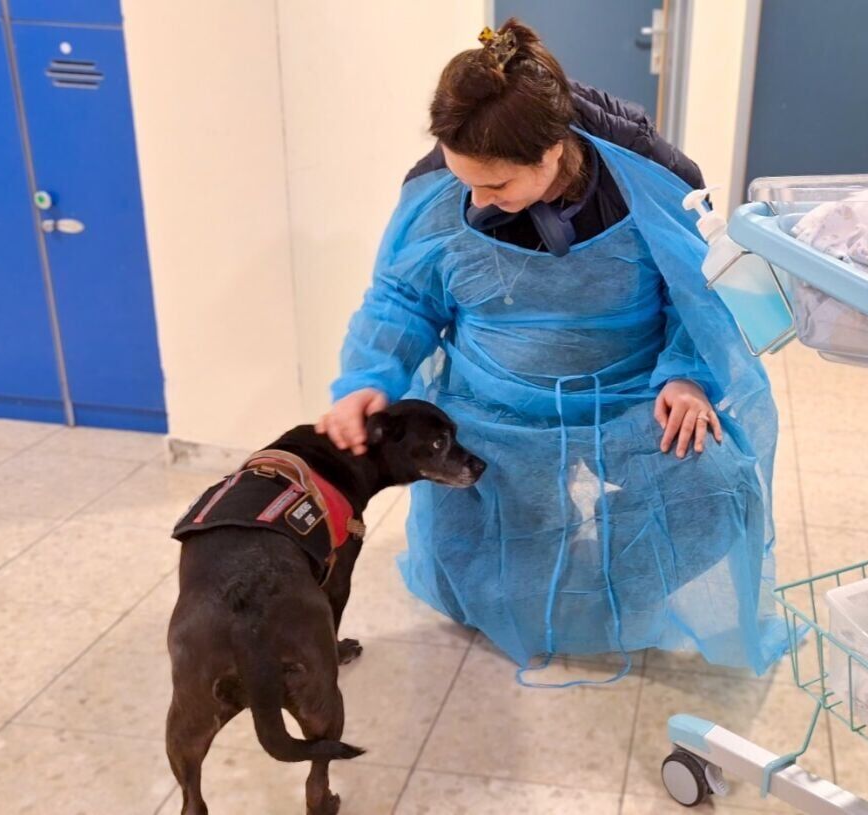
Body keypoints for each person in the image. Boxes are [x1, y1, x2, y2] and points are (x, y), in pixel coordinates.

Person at [318, 20, 785, 682]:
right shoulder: (437, 187)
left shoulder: (652, 176)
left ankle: (613, 591)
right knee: (471, 549)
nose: (476, 201)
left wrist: (686, 377)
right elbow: (403, 297)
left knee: (716, 488)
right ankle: (531, 587)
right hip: (493, 404)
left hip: (634, 395)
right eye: (466, 182)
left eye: (496, 187)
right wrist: (371, 376)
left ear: (553, 152)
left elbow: (698, 294)